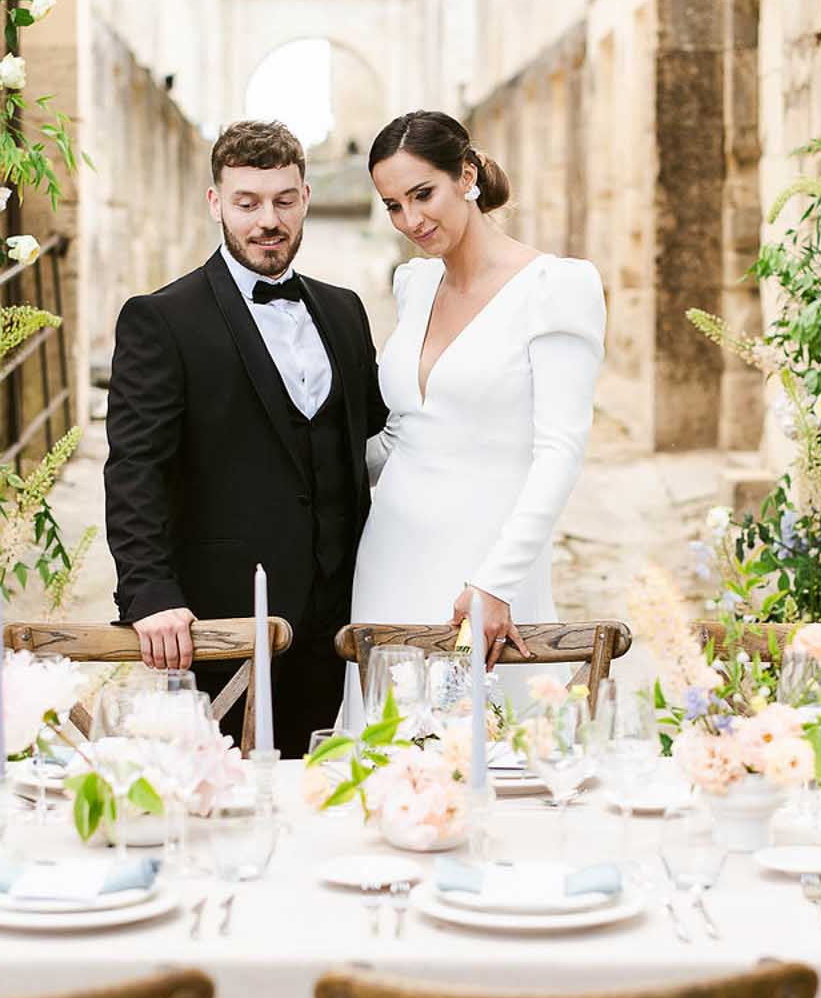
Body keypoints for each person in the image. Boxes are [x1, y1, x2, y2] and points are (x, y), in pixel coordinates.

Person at [104, 119, 386, 758]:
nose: (268, 220)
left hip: (340, 616)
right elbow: (134, 466)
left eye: (284, 201)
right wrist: (149, 592)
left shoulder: (345, 311)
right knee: (219, 799)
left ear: (306, 198)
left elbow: (372, 442)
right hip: (220, 620)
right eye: (247, 202)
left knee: (325, 785)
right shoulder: (162, 319)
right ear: (216, 203)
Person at [352, 109, 605, 674]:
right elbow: (404, 434)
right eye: (394, 205)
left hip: (485, 561)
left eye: (423, 194)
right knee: (384, 741)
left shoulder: (556, 287)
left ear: (467, 176)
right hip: (388, 552)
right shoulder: (414, 285)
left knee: (488, 744)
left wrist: (497, 579)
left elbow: (559, 450)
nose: (410, 220)